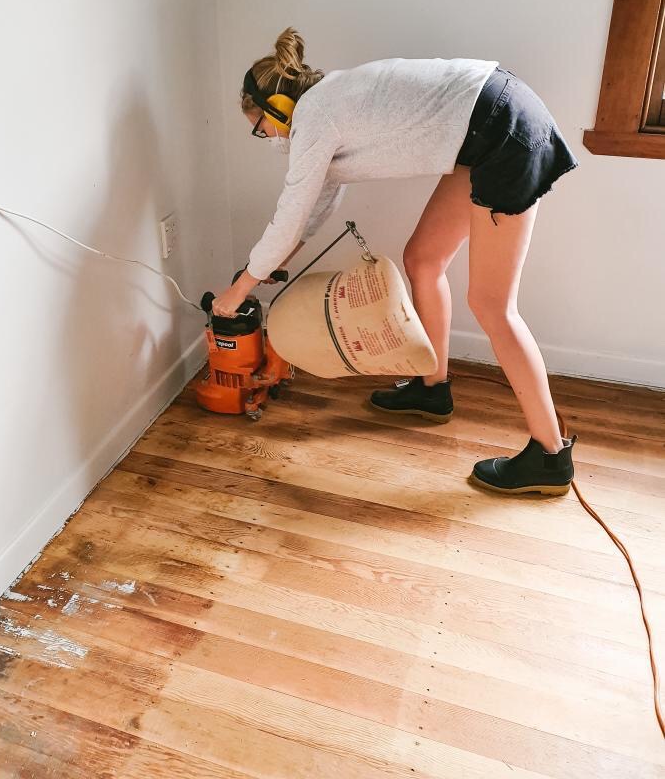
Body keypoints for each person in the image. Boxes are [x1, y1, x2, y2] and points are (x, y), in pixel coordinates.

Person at [212, 27, 580, 496]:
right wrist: (275, 261)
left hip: (502, 133)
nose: (264, 137)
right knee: (423, 259)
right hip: (487, 125)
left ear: (278, 107)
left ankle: (550, 456)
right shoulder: (328, 105)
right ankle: (433, 388)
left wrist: (238, 289)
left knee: (492, 305)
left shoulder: (314, 116)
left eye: (259, 126)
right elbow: (312, 208)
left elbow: (290, 214)